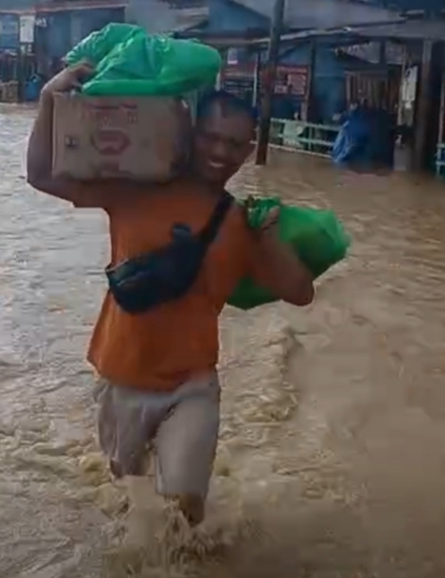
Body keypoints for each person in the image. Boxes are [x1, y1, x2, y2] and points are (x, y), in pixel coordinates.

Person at [26, 63, 314, 526]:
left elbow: (301, 293)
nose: (220, 152)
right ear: (191, 134)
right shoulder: (133, 188)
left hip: (191, 385)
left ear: (248, 151)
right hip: (121, 377)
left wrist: (268, 236)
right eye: (211, 138)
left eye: (234, 144)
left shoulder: (241, 222)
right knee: (126, 502)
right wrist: (49, 99)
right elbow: (41, 174)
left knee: (183, 509)